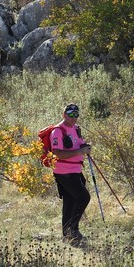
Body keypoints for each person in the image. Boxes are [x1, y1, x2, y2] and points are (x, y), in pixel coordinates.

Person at [50, 103, 91, 245]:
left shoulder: (75, 129)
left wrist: (84, 147)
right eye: (71, 115)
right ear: (64, 115)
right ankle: (73, 230)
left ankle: (67, 234)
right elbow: (58, 153)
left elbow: (78, 144)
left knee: (69, 201)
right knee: (83, 197)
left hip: (75, 170)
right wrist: (79, 152)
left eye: (76, 115)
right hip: (64, 172)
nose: (74, 118)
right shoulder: (57, 131)